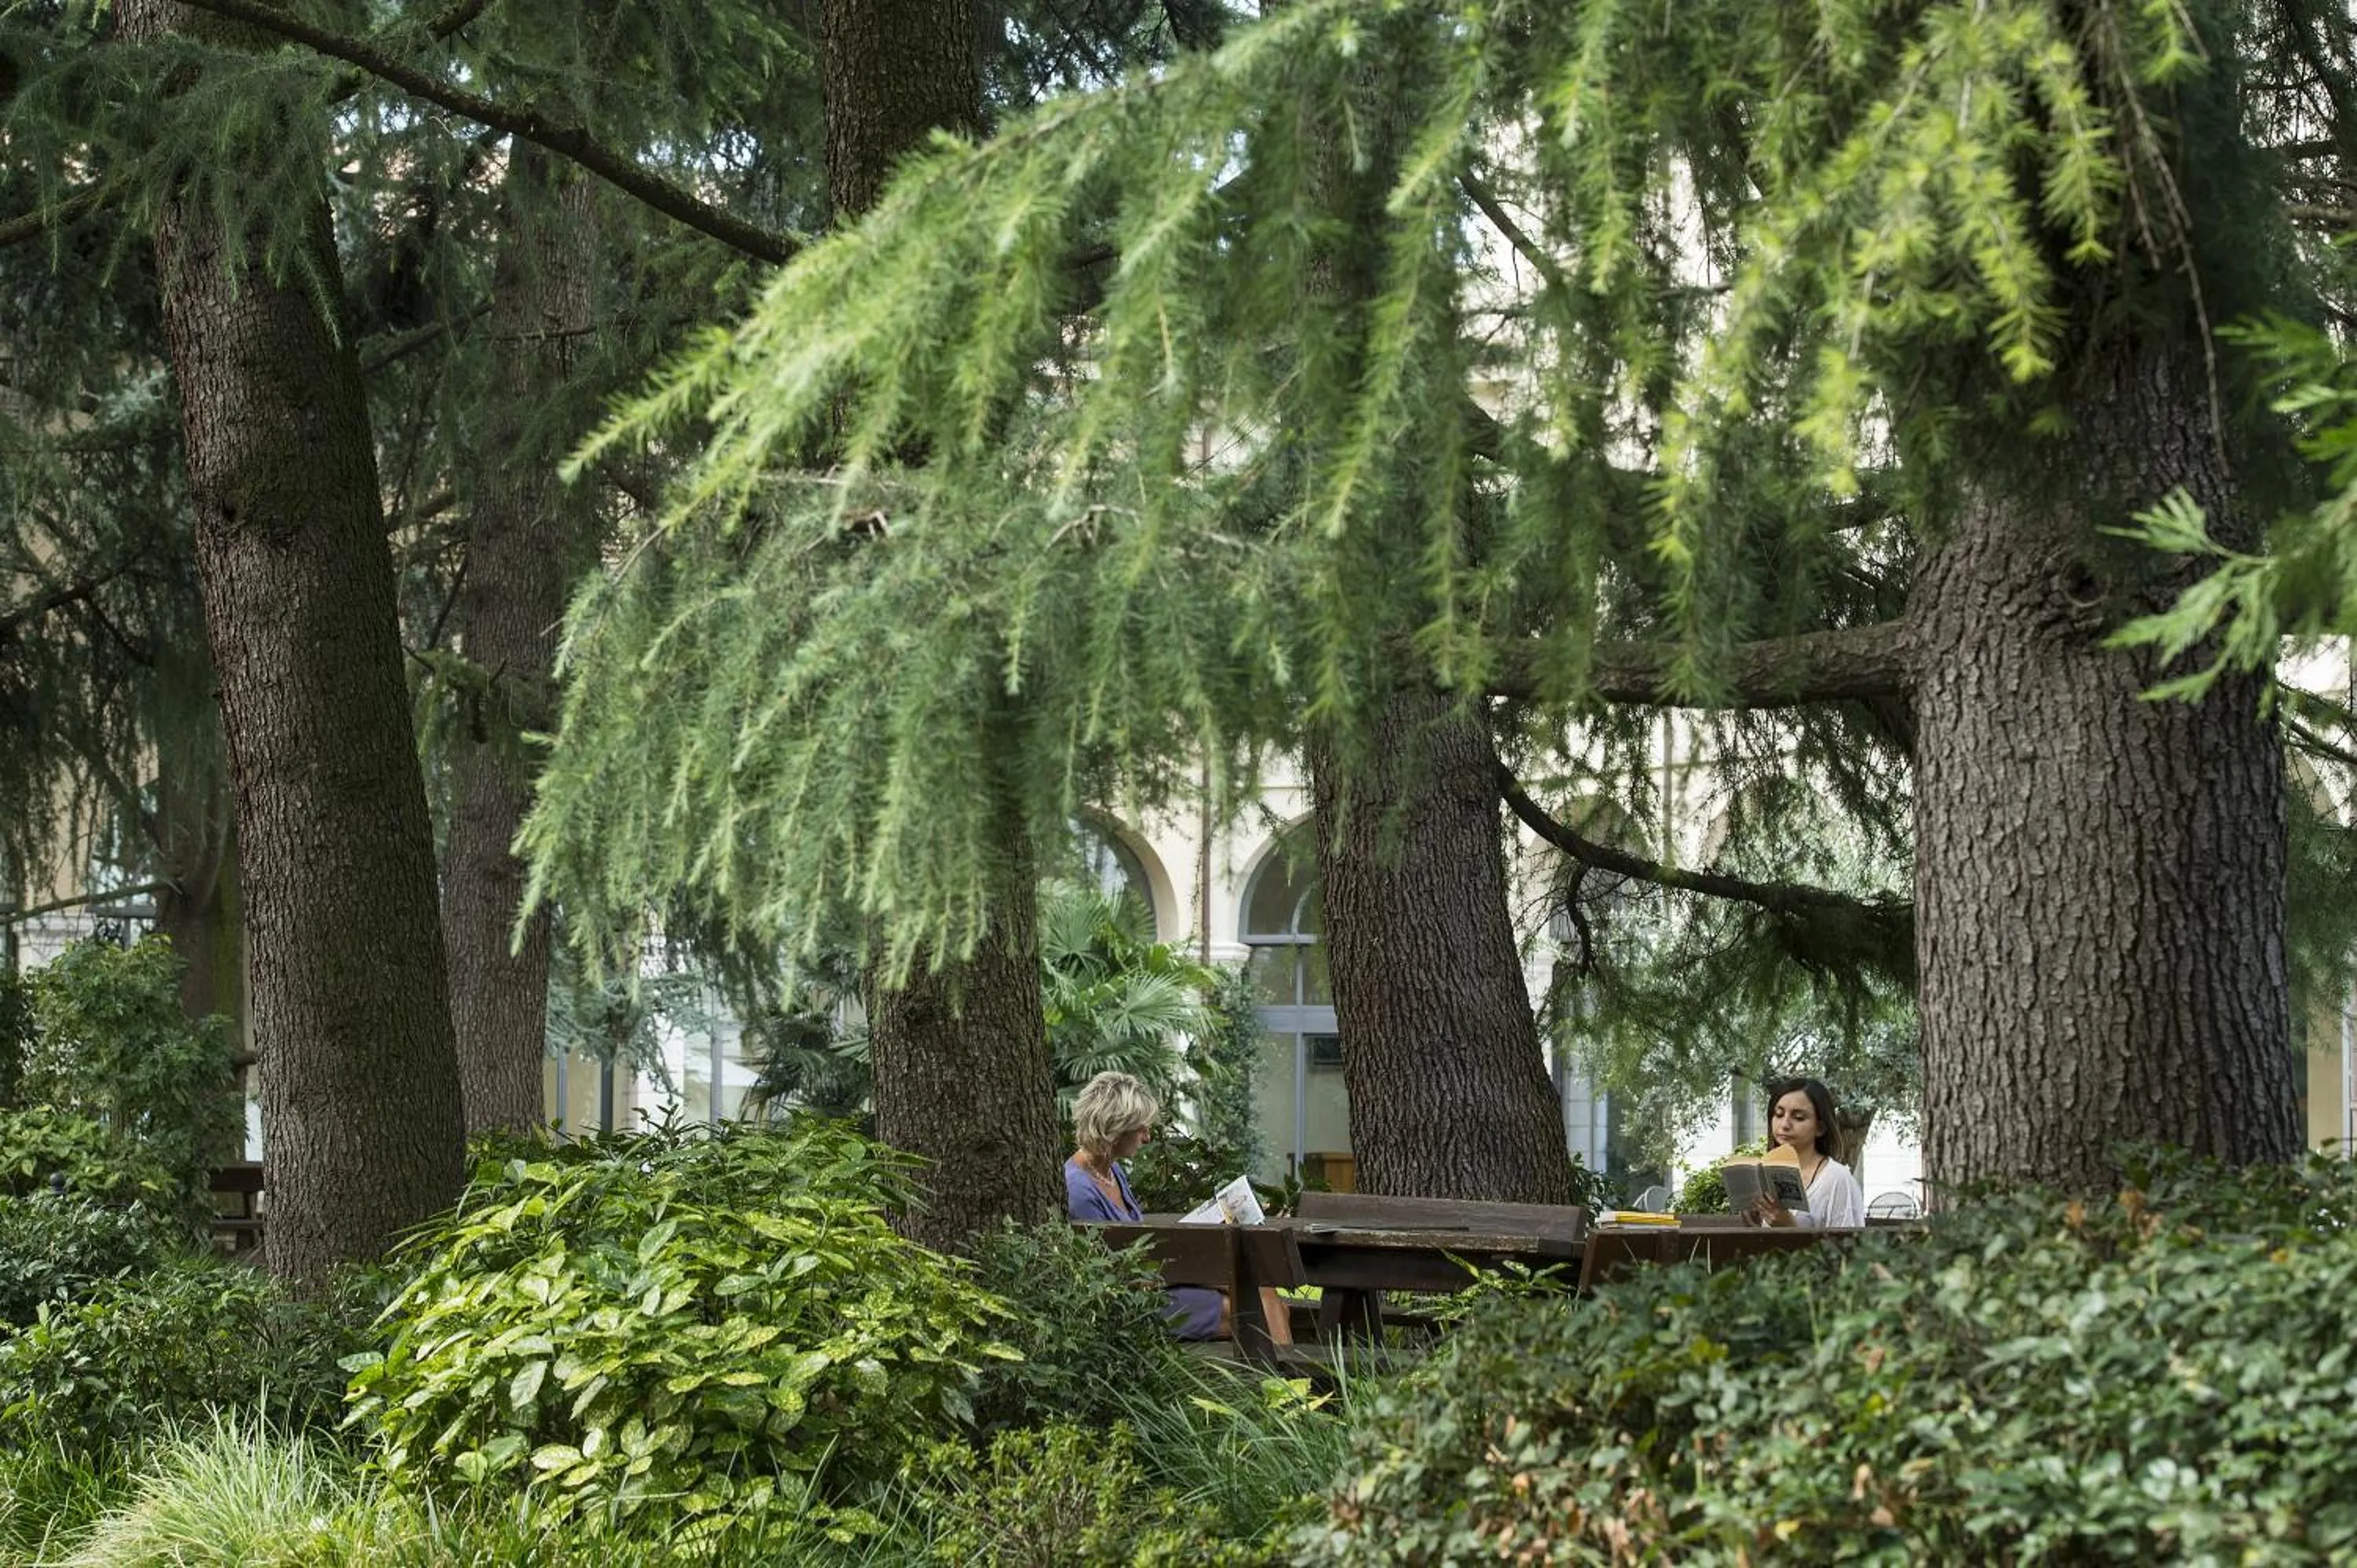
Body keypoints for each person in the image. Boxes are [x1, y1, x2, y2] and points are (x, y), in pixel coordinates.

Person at [1064, 1071, 1226, 1339]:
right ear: (1116, 1128)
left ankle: (1284, 1366)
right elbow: (1106, 1275)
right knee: (1244, 1308)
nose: (1148, 1137)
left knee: (1255, 1289)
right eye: (1141, 1129)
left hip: (1154, 1284)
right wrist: (1190, 1273)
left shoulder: (1112, 1172)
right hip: (1129, 1305)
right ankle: (1283, 1365)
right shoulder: (1079, 1190)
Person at [1746, 1076, 1866, 1229]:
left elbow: (1847, 1244)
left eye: (1799, 1118)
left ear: (1820, 1128)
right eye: (1779, 1114)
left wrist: (1791, 1228)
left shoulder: (1837, 1180)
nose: (1784, 1125)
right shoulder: (1768, 1175)